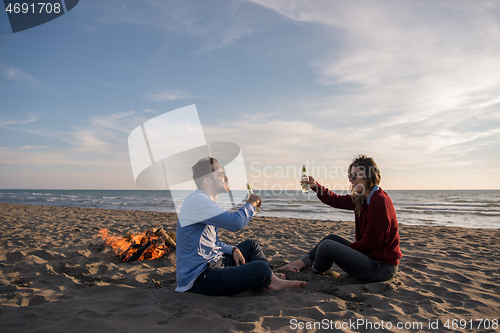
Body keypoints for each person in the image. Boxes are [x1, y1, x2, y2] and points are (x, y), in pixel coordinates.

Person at [175, 157, 306, 296]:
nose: (226, 178)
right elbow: (235, 223)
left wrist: (232, 249)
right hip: (200, 277)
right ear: (207, 180)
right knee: (260, 269)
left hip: (214, 261)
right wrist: (251, 204)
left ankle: (271, 279)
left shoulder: (203, 201)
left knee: (251, 246)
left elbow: (209, 242)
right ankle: (270, 278)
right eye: (220, 175)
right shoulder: (197, 201)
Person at [278, 155, 402, 282]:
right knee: (331, 239)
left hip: (381, 268)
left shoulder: (379, 201)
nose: (351, 180)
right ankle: (299, 264)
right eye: (350, 176)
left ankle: (316, 270)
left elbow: (371, 242)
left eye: (354, 176)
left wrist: (347, 250)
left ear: (368, 175)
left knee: (327, 246)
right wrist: (316, 186)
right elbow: (336, 200)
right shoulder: (363, 198)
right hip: (370, 258)